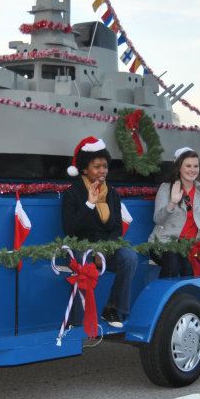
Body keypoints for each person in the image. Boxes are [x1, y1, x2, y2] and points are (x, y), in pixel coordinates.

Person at [61, 136, 137, 328]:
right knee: (82, 261)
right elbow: (70, 229)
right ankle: (77, 321)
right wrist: (89, 204)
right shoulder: (72, 193)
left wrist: (104, 249)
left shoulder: (112, 193)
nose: (102, 170)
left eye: (105, 166)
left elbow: (117, 228)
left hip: (105, 247)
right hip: (79, 247)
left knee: (129, 257)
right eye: (97, 167)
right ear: (85, 169)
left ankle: (113, 309)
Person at [149, 148, 200, 278]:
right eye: (188, 166)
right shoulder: (166, 188)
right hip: (164, 242)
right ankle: (165, 291)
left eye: (195, 166)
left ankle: (186, 292)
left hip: (191, 244)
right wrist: (172, 202)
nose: (192, 170)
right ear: (179, 167)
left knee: (188, 269)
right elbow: (158, 219)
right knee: (173, 263)